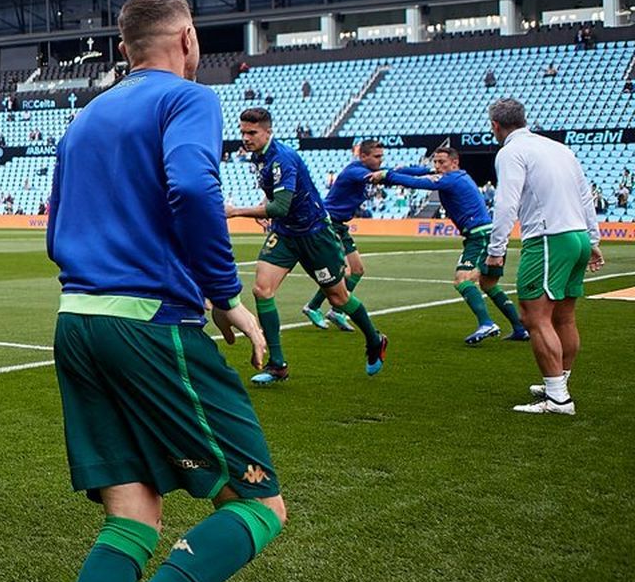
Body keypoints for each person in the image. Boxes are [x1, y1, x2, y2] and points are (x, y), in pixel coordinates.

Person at [41, 0, 282, 582]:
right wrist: (224, 294)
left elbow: (54, 228)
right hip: (149, 322)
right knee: (259, 503)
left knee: (132, 514)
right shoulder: (189, 98)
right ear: (187, 39)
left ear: (124, 48)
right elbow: (193, 188)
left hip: (77, 320)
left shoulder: (86, 117)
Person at [226, 108, 388, 384]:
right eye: (243, 132)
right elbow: (275, 199)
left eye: (252, 132)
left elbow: (280, 207)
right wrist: (264, 208)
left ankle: (375, 340)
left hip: (314, 234)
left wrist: (236, 211)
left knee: (338, 298)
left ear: (268, 131)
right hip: (285, 233)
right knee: (262, 290)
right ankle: (278, 364)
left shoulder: (283, 159)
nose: (246, 138)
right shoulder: (259, 156)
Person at [483, 99, 603, 415]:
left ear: (495, 125)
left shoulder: (511, 151)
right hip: (576, 235)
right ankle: (558, 382)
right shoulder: (560, 149)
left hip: (549, 238)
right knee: (564, 316)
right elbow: (585, 195)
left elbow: (506, 203)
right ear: (524, 119)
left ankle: (558, 399)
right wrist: (592, 239)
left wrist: (496, 251)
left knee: (534, 316)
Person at [378, 145, 529, 345]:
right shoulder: (456, 176)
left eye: (442, 162)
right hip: (486, 233)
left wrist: (387, 176)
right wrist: (387, 171)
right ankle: (520, 328)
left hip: (479, 235)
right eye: (435, 162)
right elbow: (419, 171)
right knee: (488, 284)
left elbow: (418, 182)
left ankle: (486, 323)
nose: (437, 166)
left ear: (455, 162)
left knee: (462, 280)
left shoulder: (452, 179)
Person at [300, 139, 408, 332]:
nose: (380, 160)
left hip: (340, 226)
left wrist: (430, 172)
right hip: (328, 223)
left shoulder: (366, 171)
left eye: (381, 156)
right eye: (376, 156)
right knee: (343, 271)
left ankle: (336, 311)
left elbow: (395, 172)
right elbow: (385, 177)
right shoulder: (355, 171)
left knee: (357, 270)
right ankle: (313, 306)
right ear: (363, 156)